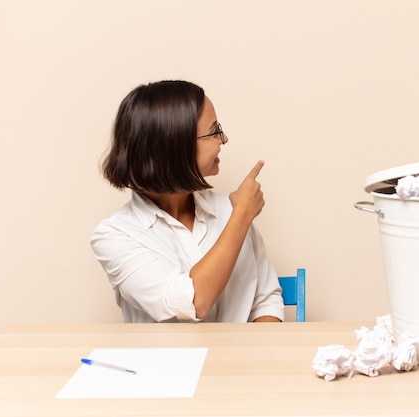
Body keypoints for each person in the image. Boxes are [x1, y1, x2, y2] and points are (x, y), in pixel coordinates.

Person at [90, 80, 284, 323]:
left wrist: (256, 357)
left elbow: (266, 300)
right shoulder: (115, 235)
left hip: (243, 361)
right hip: (164, 362)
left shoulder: (230, 210)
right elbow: (193, 303)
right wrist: (242, 215)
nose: (223, 138)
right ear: (175, 145)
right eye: (214, 131)